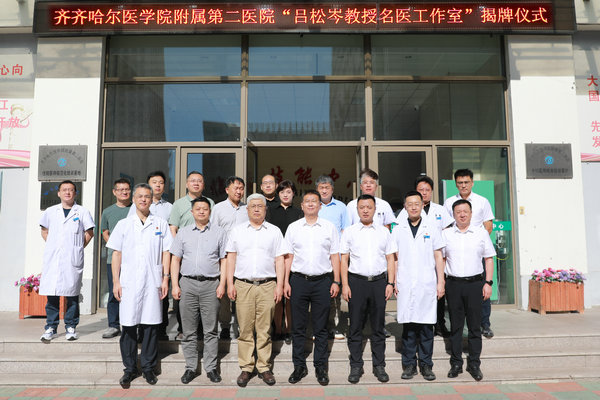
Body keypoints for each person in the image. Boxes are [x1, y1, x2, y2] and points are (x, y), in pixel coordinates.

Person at [107, 183, 173, 388]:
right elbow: (116, 254)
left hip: (153, 281)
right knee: (128, 325)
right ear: (134, 199)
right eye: (140, 196)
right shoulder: (124, 225)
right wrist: (116, 281)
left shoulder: (160, 223)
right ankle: (129, 369)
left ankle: (148, 368)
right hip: (128, 282)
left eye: (147, 196)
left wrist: (165, 278)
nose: (144, 199)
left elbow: (166, 252)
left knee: (151, 326)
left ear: (152, 199)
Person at [226, 194, 286, 387]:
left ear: (266, 209)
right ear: (247, 210)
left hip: (267, 285)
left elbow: (280, 260)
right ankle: (246, 367)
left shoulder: (274, 231)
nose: (257, 209)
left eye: (260, 206)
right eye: (253, 206)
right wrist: (229, 283)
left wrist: (279, 285)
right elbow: (231, 258)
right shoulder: (237, 231)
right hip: (243, 285)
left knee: (264, 329)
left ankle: (264, 366)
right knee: (244, 328)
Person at [284, 190, 341, 386]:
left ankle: (320, 367)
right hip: (298, 281)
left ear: (320, 205)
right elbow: (288, 257)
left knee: (321, 327)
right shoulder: (293, 228)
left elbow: (335, 256)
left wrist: (336, 281)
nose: (310, 204)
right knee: (298, 327)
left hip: (322, 282)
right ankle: (299, 366)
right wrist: (285, 282)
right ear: (301, 206)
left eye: (314, 201)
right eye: (307, 201)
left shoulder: (329, 227)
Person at [340, 194, 397, 384]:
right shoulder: (349, 232)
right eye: (362, 207)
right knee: (355, 326)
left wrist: (390, 283)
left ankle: (379, 365)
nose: (365, 210)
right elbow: (344, 260)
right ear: (357, 209)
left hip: (379, 283)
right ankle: (356, 365)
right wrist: (345, 285)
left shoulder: (384, 232)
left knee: (378, 327)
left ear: (374, 210)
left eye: (369, 207)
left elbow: (390, 259)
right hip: (356, 283)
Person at [170, 197, 227, 384]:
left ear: (210, 211)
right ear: (192, 212)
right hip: (187, 283)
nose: (201, 211)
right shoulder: (183, 233)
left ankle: (211, 368)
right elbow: (175, 259)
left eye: (205, 209)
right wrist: (175, 285)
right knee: (188, 330)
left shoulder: (219, 232)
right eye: (198, 209)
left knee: (211, 330)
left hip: (211, 284)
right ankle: (190, 367)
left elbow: (224, 260)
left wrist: (222, 284)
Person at [392, 191, 445, 381]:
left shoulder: (432, 227)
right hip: (406, 282)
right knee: (409, 327)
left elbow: (438, 256)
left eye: (417, 203)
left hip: (426, 283)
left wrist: (441, 281)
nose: (413, 207)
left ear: (422, 205)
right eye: (410, 204)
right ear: (405, 207)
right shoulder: (398, 228)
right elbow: (395, 257)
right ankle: (409, 365)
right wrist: (394, 280)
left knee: (426, 327)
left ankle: (426, 365)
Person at [443, 199, 496, 382]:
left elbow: (489, 259)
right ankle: (456, 363)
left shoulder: (481, 233)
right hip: (454, 285)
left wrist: (488, 283)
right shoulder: (446, 234)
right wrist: (441, 282)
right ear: (453, 215)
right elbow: (442, 259)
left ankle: (474, 363)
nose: (462, 215)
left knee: (474, 326)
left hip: (475, 285)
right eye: (458, 212)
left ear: (471, 213)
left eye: (465, 211)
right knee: (456, 326)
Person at [396, 176, 453, 337]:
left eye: (427, 190)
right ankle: (415, 329)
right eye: (421, 190)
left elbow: (446, 233)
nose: (424, 192)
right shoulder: (405, 212)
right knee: (413, 300)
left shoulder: (440, 210)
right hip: (413, 263)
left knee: (436, 296)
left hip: (433, 257)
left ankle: (439, 324)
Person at [39, 180, 94, 342]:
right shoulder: (50, 211)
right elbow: (44, 231)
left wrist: (77, 248)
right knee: (52, 294)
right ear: (59, 193)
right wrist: (54, 247)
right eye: (64, 190)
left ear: (75, 193)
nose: (67, 193)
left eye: (70, 190)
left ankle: (71, 326)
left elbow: (89, 233)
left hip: (72, 259)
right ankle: (51, 327)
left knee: (72, 294)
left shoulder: (82, 212)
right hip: (53, 259)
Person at [443, 169, 495, 339]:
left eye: (466, 182)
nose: (463, 185)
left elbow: (488, 225)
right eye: (460, 183)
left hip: (476, 251)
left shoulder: (482, 201)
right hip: (456, 251)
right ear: (455, 184)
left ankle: (484, 323)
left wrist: (477, 243)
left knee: (482, 288)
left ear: (472, 183)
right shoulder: (449, 202)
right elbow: (446, 226)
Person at [127, 171, 173, 340]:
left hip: (160, 258)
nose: (158, 185)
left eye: (161, 182)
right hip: (140, 259)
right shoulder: (137, 205)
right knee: (141, 296)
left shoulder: (169, 207)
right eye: (154, 182)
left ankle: (161, 330)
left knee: (162, 296)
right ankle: (141, 330)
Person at [169, 171, 214, 338]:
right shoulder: (179, 204)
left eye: (199, 181)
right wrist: (179, 250)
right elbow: (173, 228)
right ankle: (183, 329)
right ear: (187, 184)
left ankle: (202, 330)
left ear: (203, 184)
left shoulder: (210, 203)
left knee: (204, 297)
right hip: (185, 255)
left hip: (205, 255)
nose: (196, 183)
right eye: (193, 181)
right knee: (184, 294)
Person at [211, 176, 248, 340]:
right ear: (227, 190)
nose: (239, 191)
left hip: (243, 258)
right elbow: (214, 232)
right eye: (236, 188)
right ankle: (225, 326)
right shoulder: (218, 209)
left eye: (241, 188)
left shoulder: (247, 209)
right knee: (225, 291)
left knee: (241, 292)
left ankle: (242, 326)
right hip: (224, 257)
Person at [266, 179, 303, 344]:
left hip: (293, 258)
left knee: (290, 296)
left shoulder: (298, 213)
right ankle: (277, 329)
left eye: (288, 192)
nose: (285, 195)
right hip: (274, 257)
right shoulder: (271, 211)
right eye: (282, 192)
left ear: (293, 193)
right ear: (278, 194)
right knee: (277, 295)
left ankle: (288, 329)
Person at [316, 174, 348, 341]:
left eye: (327, 187)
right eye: (321, 188)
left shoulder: (341, 207)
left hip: (336, 256)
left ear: (332, 189)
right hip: (318, 257)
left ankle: (333, 326)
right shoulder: (314, 205)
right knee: (319, 294)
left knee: (334, 293)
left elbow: (345, 231)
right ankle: (318, 327)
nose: (324, 190)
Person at [100, 178, 132, 339]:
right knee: (115, 292)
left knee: (132, 292)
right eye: (120, 189)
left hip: (133, 259)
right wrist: (116, 245)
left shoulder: (136, 209)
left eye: (127, 189)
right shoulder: (108, 211)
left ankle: (131, 324)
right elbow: (104, 232)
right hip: (114, 259)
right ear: (114, 192)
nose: (124, 192)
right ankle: (113, 325)